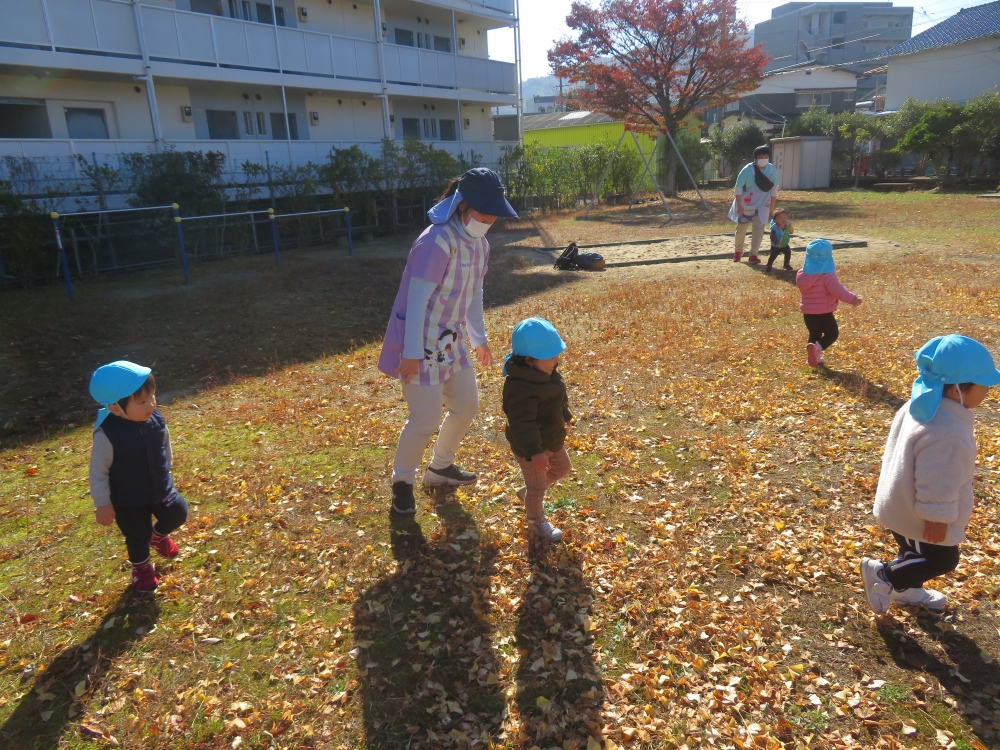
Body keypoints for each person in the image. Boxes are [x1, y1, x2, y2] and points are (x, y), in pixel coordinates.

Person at [378, 168, 519, 515]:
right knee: (424, 420)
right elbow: (416, 300)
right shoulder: (435, 241)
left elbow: (474, 294)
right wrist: (411, 354)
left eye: (492, 216)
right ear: (463, 206)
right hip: (420, 343)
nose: (487, 220)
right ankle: (402, 484)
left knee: (467, 405)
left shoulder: (481, 244)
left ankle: (440, 468)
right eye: (483, 213)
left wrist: (479, 338)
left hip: (451, 342)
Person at [861, 335, 1000, 614]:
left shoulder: (923, 402)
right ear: (956, 389)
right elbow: (936, 479)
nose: (988, 392)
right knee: (941, 559)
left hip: (899, 502)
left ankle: (908, 590)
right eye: (983, 386)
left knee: (913, 554)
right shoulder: (948, 431)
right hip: (918, 513)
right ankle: (884, 575)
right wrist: (936, 517)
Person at [88, 361, 188, 593]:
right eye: (142, 401)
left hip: (160, 487)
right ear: (115, 409)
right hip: (128, 499)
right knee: (137, 535)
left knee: (178, 512)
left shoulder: (155, 417)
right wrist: (102, 503)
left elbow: (164, 442)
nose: (151, 404)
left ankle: (159, 536)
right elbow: (98, 471)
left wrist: (167, 466)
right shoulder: (108, 434)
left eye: (152, 396)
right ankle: (141, 569)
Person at [501, 318, 573, 543]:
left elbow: (557, 397)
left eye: (556, 354)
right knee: (538, 487)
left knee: (562, 469)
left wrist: (565, 415)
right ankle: (536, 522)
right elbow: (522, 423)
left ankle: (527, 493)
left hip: (551, 438)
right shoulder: (520, 387)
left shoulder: (547, 372)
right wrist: (535, 451)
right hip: (531, 447)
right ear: (530, 360)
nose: (556, 360)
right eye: (550, 356)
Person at [795, 239, 862, 367]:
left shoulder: (802, 274)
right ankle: (818, 348)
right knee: (832, 334)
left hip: (808, 313)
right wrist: (852, 299)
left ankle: (812, 358)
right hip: (824, 312)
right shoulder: (827, 275)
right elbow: (838, 290)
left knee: (814, 334)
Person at [729, 145, 779, 264]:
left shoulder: (772, 170)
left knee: (759, 230)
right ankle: (738, 251)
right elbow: (738, 188)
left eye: (766, 157)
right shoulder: (747, 170)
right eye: (761, 157)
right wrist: (740, 205)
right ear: (755, 158)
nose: (763, 159)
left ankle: (753, 255)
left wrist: (772, 204)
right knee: (741, 229)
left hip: (762, 204)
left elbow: (775, 188)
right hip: (746, 204)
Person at [765, 208, 794, 273]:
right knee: (773, 256)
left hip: (784, 244)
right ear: (776, 220)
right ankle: (769, 265)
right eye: (781, 218)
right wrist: (776, 242)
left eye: (785, 217)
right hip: (776, 246)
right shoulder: (775, 228)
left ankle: (786, 264)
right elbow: (772, 236)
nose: (784, 219)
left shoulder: (787, 226)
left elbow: (791, 231)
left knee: (788, 253)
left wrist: (791, 229)